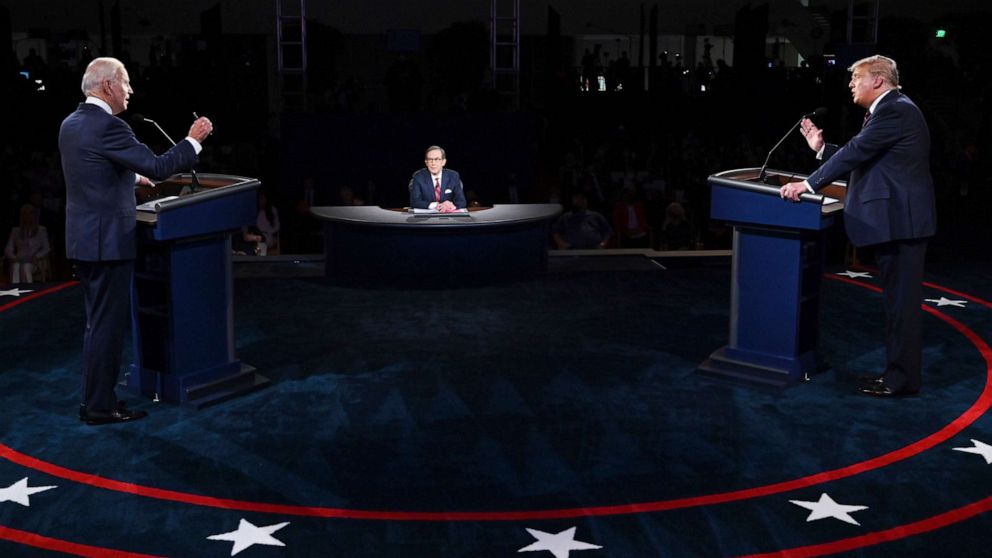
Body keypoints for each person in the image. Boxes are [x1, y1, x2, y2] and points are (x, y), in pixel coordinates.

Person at [59, 57, 214, 424]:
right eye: (126, 82)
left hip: (84, 241)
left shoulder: (71, 124)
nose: (130, 90)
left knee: (96, 325)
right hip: (108, 243)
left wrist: (129, 180)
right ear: (108, 86)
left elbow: (92, 173)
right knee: (107, 328)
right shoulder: (109, 127)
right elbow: (159, 166)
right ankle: (99, 407)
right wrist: (192, 140)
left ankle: (94, 400)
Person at [779, 55, 936, 398]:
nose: (851, 84)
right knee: (897, 306)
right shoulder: (891, 110)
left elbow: (857, 151)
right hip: (898, 223)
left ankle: (902, 380)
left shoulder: (895, 109)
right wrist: (822, 150)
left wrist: (808, 185)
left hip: (902, 224)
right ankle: (896, 375)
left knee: (902, 308)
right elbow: (867, 157)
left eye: (856, 78)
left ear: (878, 80)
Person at [408, 145, 467, 213]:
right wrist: (435, 205)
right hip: (426, 219)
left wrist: (451, 205)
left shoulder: (453, 176)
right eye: (430, 159)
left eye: (437, 159)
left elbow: (462, 202)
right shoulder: (418, 177)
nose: (433, 163)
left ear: (443, 162)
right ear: (426, 162)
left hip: (448, 217)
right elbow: (414, 202)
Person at [5, 204, 51, 283]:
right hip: (19, 259)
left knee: (26, 267)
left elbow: (46, 248)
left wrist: (37, 256)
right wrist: (13, 257)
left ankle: (28, 290)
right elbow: (8, 248)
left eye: (30, 213)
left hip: (35, 261)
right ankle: (16, 290)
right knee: (16, 266)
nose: (27, 216)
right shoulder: (16, 231)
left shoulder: (41, 230)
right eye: (25, 214)